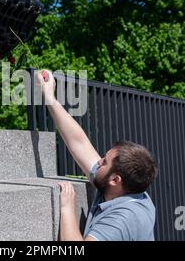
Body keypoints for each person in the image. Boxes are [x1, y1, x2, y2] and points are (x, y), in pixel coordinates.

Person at [36, 70, 158, 241]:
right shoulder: (126, 192)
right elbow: (79, 143)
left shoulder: (121, 220)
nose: (98, 161)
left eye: (104, 162)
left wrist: (67, 208)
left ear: (115, 180)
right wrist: (49, 97)